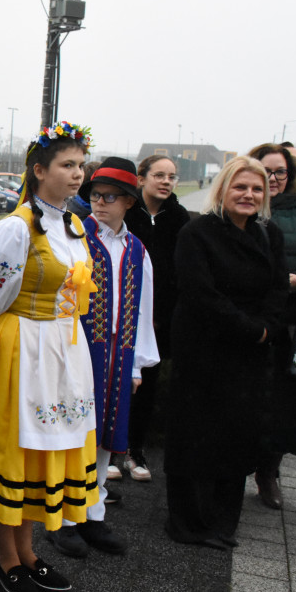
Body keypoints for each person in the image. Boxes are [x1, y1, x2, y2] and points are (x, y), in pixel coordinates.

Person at [0, 121, 99, 592]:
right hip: (19, 350)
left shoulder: (73, 226)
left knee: (39, 455)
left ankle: (28, 552)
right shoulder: (16, 228)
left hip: (60, 353)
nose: (78, 174)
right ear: (39, 171)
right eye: (67, 165)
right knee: (12, 453)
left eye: (80, 165)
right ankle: (5, 557)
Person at [164, 156, 287, 549]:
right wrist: (252, 328)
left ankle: (221, 520)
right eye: (240, 187)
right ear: (223, 190)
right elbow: (201, 293)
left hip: (250, 354)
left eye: (256, 189)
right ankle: (188, 522)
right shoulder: (197, 232)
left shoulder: (268, 234)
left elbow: (280, 285)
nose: (248, 195)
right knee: (196, 435)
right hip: (204, 349)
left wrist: (269, 325)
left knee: (236, 436)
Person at [47, 157, 160, 558]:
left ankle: (93, 513)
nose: (99, 203)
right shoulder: (75, 236)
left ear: (129, 201)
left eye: (110, 197)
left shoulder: (136, 249)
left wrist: (137, 363)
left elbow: (143, 307)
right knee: (72, 431)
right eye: (95, 195)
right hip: (79, 349)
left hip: (118, 351)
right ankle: (60, 517)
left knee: (106, 436)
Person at [122, 155, 190, 482]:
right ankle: (110, 448)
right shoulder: (126, 213)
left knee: (146, 386)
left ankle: (136, 450)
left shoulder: (179, 219)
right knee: (115, 382)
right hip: (120, 315)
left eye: (172, 176)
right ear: (141, 177)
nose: (165, 181)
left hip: (158, 319)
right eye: (159, 175)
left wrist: (163, 315)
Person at [247, 143, 296, 509]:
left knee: (282, 401)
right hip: (252, 319)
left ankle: (269, 474)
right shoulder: (247, 210)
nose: (273, 179)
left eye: (280, 171)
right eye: (265, 172)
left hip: (292, 320)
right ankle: (234, 468)